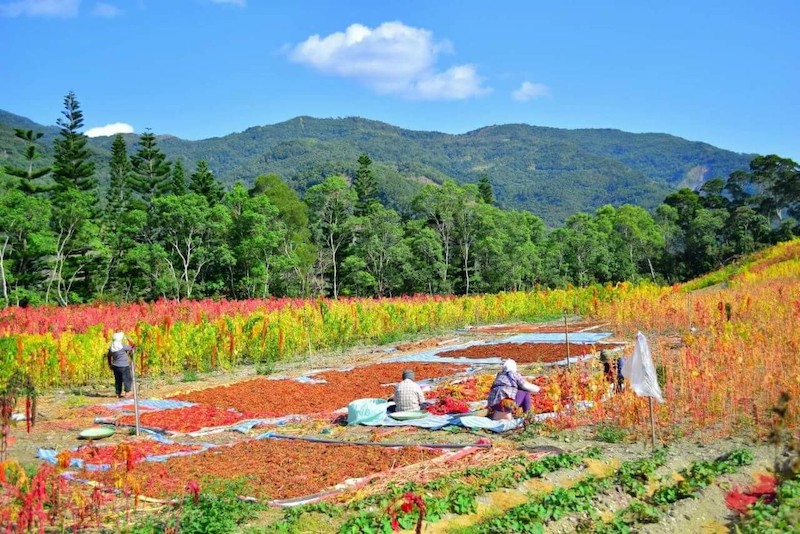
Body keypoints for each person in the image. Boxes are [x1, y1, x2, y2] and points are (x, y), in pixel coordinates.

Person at [107, 332, 135, 399]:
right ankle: (128, 392)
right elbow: (133, 347)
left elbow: (108, 356)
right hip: (124, 366)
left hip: (116, 366)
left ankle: (118, 393)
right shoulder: (122, 346)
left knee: (118, 380)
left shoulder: (112, 347)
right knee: (127, 379)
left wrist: (110, 364)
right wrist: (129, 340)